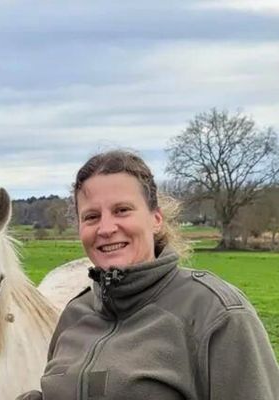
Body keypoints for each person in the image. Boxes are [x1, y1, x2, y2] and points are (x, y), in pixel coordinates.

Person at [18, 150, 279, 399]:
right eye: (91, 216)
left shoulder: (216, 314)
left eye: (122, 210)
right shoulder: (75, 315)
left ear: (156, 219)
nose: (106, 228)